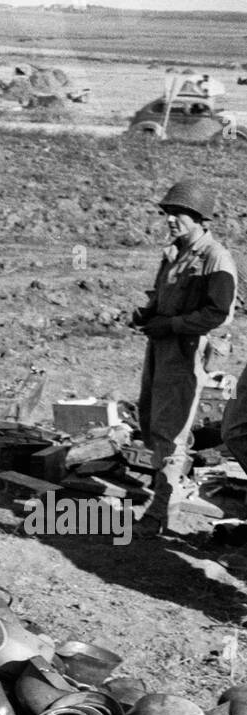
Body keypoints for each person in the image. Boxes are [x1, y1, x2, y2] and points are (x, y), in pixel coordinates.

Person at [131, 180, 237, 530]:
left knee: (171, 428)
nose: (171, 220)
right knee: (150, 419)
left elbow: (218, 313)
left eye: (180, 214)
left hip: (187, 351)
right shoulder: (175, 253)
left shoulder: (215, 258)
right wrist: (148, 313)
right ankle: (163, 496)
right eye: (169, 213)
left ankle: (163, 510)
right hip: (160, 347)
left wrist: (173, 325)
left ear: (202, 220)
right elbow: (163, 295)